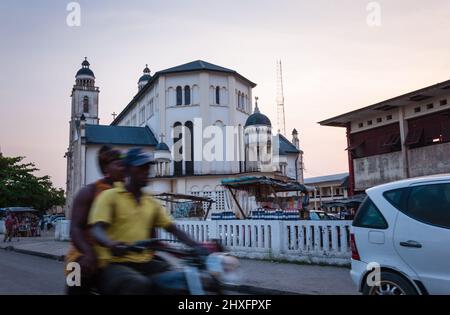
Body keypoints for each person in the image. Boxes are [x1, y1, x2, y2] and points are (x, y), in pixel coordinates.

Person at [89, 148, 206, 295]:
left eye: (148, 168)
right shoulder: (110, 196)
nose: (146, 172)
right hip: (114, 263)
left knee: (182, 279)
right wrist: (110, 243)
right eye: (141, 167)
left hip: (144, 262)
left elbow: (173, 229)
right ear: (127, 170)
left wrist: (198, 247)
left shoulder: (151, 202)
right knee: (138, 284)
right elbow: (97, 229)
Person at [65, 145, 125, 295]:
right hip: (85, 251)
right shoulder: (89, 192)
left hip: (117, 252)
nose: (123, 167)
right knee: (76, 274)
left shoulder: (128, 193)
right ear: (106, 169)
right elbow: (75, 228)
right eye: (117, 163)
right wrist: (87, 253)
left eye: (123, 163)